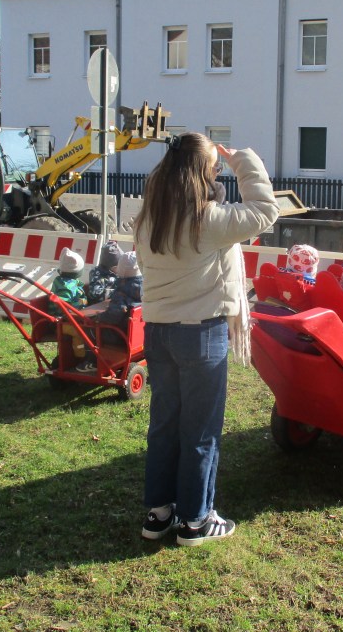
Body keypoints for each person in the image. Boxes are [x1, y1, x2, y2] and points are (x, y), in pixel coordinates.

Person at [135, 132, 279, 546]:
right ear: (202, 172)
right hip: (200, 333)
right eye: (214, 169)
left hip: (158, 331)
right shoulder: (209, 220)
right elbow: (266, 211)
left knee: (164, 425)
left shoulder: (148, 219)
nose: (217, 175)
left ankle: (159, 513)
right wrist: (242, 160)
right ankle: (196, 521)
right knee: (201, 430)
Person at [86, 240, 123, 305]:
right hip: (97, 305)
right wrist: (118, 293)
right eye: (119, 266)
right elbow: (95, 293)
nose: (121, 269)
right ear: (112, 267)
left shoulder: (118, 274)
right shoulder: (97, 273)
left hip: (113, 303)